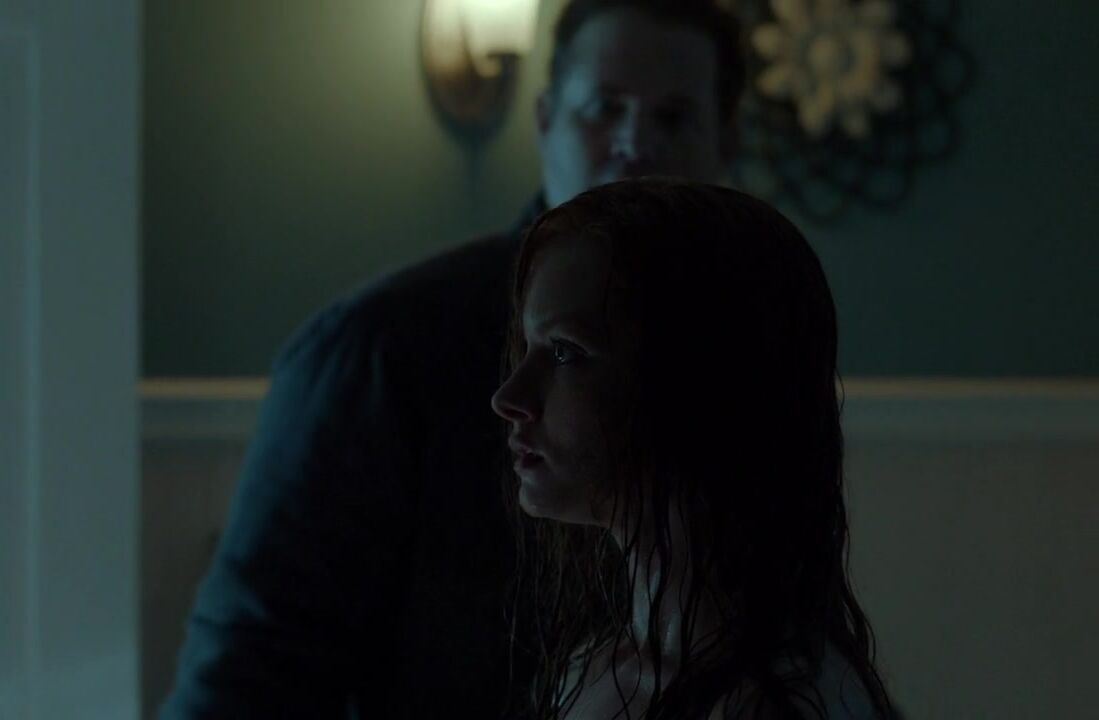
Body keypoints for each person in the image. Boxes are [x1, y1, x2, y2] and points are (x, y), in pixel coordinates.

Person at [160, 1, 744, 718]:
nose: (634, 144)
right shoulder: (385, 347)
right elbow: (245, 678)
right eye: (603, 109)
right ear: (545, 121)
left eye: (673, 118)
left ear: (727, 143)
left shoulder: (743, 354)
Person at [491, 177, 901, 719]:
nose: (508, 398)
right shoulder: (594, 669)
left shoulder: (776, 706)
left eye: (565, 353)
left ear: (700, 385)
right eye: (528, 347)